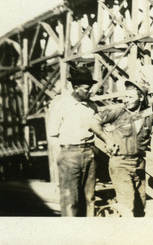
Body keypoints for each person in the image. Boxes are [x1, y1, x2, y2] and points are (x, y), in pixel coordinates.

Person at [47, 66, 115, 217]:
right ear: (76, 88)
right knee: (70, 199)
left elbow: (99, 128)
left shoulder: (92, 106)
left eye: (90, 88)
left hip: (90, 153)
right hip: (69, 153)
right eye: (86, 89)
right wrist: (62, 158)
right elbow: (52, 135)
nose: (90, 91)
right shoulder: (61, 105)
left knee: (89, 197)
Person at [97, 80, 153, 217]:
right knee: (127, 205)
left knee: (140, 205)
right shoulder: (118, 111)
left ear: (141, 98)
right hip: (121, 162)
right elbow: (93, 122)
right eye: (125, 96)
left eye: (130, 97)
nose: (126, 100)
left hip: (139, 163)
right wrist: (108, 140)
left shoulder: (148, 115)